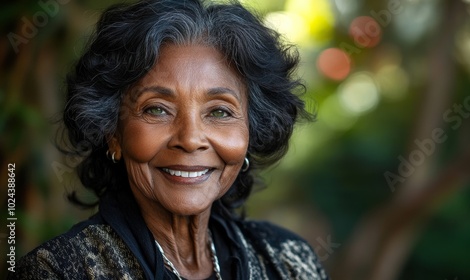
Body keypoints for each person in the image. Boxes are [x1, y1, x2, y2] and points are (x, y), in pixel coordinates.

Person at [9, 0, 328, 279]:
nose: (190, 140)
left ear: (249, 130)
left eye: (219, 112)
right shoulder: (58, 271)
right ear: (113, 134)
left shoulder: (288, 261)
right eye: (157, 109)